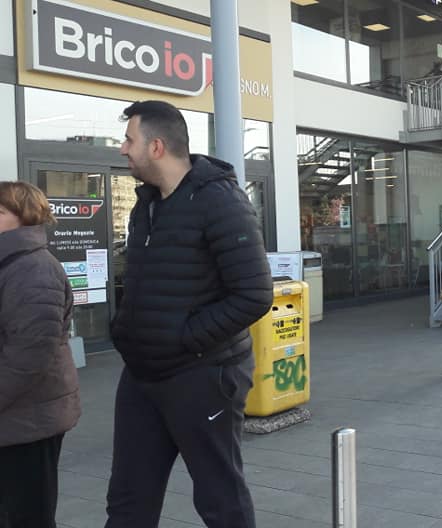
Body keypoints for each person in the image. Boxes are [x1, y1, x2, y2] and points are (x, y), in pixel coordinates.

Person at [106, 101, 273, 528]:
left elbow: (254, 295)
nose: (123, 149)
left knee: (221, 501)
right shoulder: (146, 205)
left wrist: (183, 337)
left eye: (129, 139)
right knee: (127, 501)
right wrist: (126, 331)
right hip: (142, 374)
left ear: (156, 146)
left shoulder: (219, 200)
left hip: (202, 376)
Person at [0, 182, 80, 528]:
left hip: (29, 420)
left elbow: (30, 355)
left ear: (24, 217)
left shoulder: (33, 269)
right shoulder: (10, 263)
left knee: (27, 515)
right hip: (12, 416)